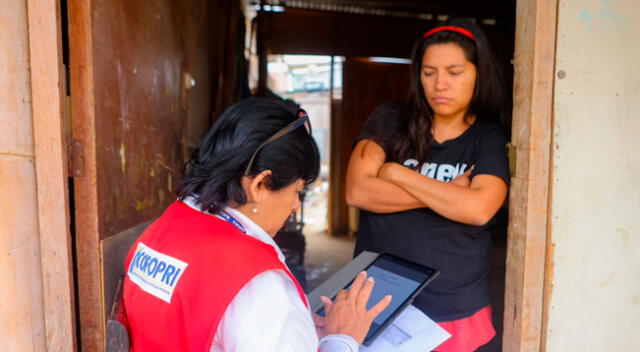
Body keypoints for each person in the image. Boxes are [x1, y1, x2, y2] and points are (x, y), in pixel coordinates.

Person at [123, 98, 391, 352]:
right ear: (259, 184)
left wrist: (294, 329)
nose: (296, 205)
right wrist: (342, 338)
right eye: (297, 191)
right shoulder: (258, 283)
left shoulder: (164, 228)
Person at [346, 18, 509, 351]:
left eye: (454, 72)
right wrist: (450, 194)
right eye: (429, 72)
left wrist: (397, 173)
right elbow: (358, 190)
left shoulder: (489, 137)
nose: (440, 85)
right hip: (377, 298)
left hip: (455, 304)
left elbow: (478, 209)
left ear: (478, 74)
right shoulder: (391, 120)